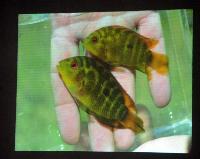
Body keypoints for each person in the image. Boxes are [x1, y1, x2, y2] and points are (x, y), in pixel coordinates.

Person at [50, 11, 171, 151]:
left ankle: (153, 61)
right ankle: (128, 119)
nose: (89, 42)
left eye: (73, 66)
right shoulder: (81, 73)